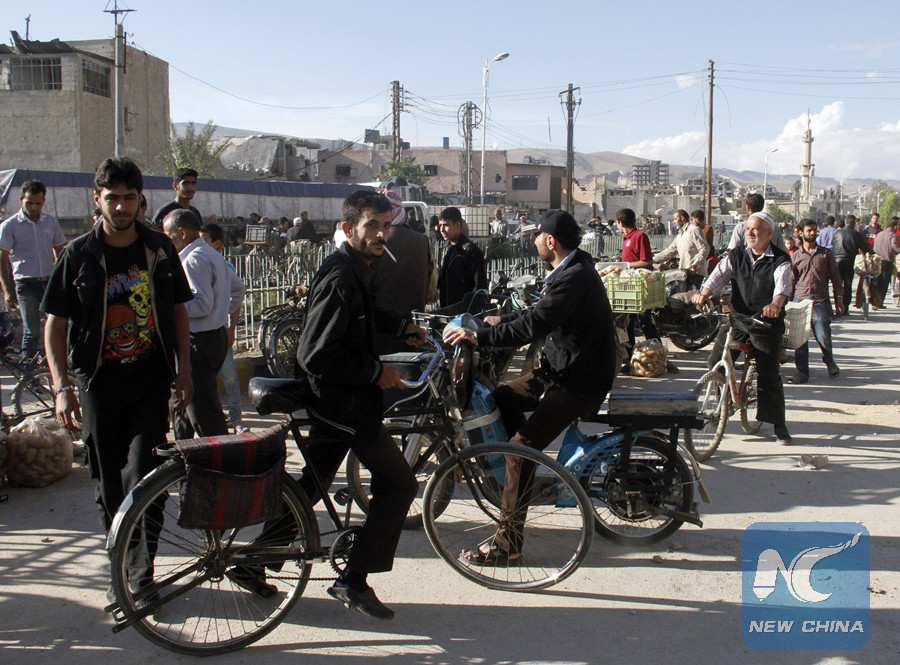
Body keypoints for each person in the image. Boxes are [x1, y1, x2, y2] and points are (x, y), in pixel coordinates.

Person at [42, 158, 193, 588]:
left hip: (150, 380)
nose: (122, 207)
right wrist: (61, 387)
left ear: (140, 200)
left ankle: (142, 575)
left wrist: (184, 370)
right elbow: (55, 323)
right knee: (109, 482)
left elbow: (178, 311)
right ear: (98, 199)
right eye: (113, 198)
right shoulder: (78, 255)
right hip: (98, 382)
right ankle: (120, 566)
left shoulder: (158, 249)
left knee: (146, 475)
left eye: (129, 198)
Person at [443, 209, 617, 563]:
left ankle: (507, 546)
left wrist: (480, 337)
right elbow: (538, 311)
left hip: (578, 381)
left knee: (519, 449)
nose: (534, 241)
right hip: (560, 369)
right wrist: (498, 319)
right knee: (502, 398)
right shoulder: (571, 267)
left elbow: (536, 324)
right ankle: (519, 478)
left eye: (537, 236)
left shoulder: (574, 276)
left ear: (550, 241)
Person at [296, 189, 423, 620]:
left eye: (386, 225)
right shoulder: (340, 275)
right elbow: (315, 353)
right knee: (401, 485)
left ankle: (254, 559)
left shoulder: (358, 268)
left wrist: (402, 327)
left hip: (341, 401)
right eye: (372, 225)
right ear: (349, 228)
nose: (381, 234)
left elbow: (362, 320)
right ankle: (353, 580)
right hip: (344, 405)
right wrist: (374, 372)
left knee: (312, 486)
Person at [693, 211, 794, 444]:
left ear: (769, 233)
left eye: (755, 229)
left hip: (765, 322)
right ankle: (724, 403)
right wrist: (704, 293)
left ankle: (779, 424)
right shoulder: (736, 254)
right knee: (715, 361)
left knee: (769, 374)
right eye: (748, 228)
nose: (750, 233)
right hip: (738, 319)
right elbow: (718, 276)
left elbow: (782, 288)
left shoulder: (781, 260)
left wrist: (775, 304)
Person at [163, 208, 246, 439]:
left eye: (169, 236)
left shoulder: (193, 259)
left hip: (199, 341)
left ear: (181, 233)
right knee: (182, 403)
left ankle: (220, 453)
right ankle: (184, 450)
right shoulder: (211, 254)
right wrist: (223, 310)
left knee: (202, 409)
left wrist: (170, 308)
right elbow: (238, 288)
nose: (167, 242)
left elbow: (202, 304)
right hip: (214, 335)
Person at [0, 180, 67, 358]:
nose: (33, 207)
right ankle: (28, 369)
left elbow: (60, 253)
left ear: (43, 201)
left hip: (49, 282)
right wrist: (7, 290)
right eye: (29, 203)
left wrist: (62, 281)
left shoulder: (50, 223)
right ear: (21, 200)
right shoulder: (10, 226)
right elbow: (2, 259)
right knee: (32, 331)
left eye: (38, 203)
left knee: (56, 325)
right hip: (25, 283)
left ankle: (53, 363)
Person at [372, 191, 435, 352]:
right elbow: (431, 285)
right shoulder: (422, 240)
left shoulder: (375, 242)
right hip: (413, 327)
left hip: (381, 329)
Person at [200, 222, 247, 433]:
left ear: (217, 244)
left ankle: (236, 419)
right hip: (203, 331)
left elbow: (238, 295)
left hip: (220, 328)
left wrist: (231, 328)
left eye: (204, 241)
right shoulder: (198, 263)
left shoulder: (225, 267)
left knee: (230, 377)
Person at [617, 208, 672, 371]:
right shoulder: (626, 239)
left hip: (640, 289)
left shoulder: (639, 236)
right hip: (628, 288)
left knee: (645, 322)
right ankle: (630, 359)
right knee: (627, 324)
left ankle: (662, 358)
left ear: (620, 222)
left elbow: (647, 262)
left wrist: (626, 265)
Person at [789, 219, 843, 384]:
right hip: (800, 301)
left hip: (820, 301)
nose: (813, 233)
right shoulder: (795, 256)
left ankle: (829, 360)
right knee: (800, 340)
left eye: (814, 230)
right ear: (801, 233)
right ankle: (802, 372)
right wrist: (787, 303)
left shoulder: (825, 254)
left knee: (823, 335)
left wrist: (839, 300)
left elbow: (836, 278)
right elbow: (791, 282)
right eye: (809, 230)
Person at [437, 206, 487, 308]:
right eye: (440, 225)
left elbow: (479, 286)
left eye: (446, 225)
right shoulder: (445, 248)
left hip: (463, 309)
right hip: (446, 308)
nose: (442, 229)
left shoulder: (470, 250)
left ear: (458, 225)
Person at [652, 208, 709, 287]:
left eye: (675, 219)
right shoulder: (680, 236)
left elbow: (704, 249)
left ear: (682, 218)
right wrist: (651, 259)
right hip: (684, 276)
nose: (674, 222)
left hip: (697, 276)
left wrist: (695, 264)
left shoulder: (694, 230)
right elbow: (668, 252)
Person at [831, 215, 870, 313]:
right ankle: (845, 307)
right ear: (853, 223)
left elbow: (833, 247)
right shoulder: (856, 234)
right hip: (849, 261)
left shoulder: (837, 233)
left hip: (837, 261)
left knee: (837, 284)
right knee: (848, 285)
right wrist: (871, 254)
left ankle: (838, 306)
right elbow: (866, 248)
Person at [872, 217, 900, 308]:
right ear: (895, 226)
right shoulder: (893, 235)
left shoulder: (879, 234)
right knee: (884, 284)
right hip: (886, 262)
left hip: (877, 261)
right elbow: (895, 246)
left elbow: (875, 247)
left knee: (877, 282)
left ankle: (874, 301)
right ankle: (879, 303)